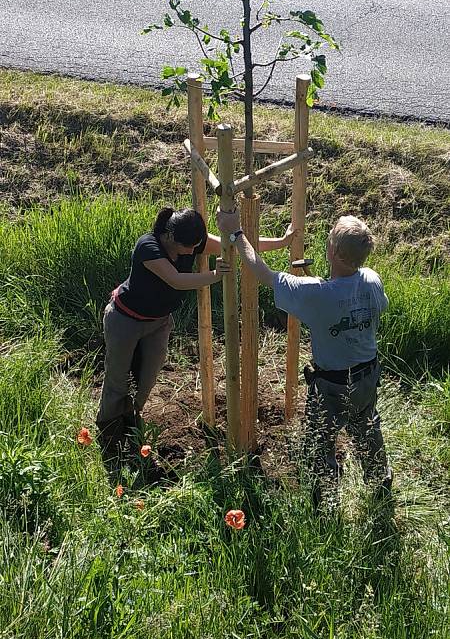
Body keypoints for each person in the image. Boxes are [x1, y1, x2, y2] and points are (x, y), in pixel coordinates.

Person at [216, 210, 393, 508]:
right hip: (368, 375)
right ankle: (380, 482)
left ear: (334, 252)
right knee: (366, 425)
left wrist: (236, 234)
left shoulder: (316, 294)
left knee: (319, 439)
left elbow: (263, 274)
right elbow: (352, 302)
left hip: (333, 386)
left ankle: (324, 501)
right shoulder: (371, 280)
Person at [97, 206, 295, 460]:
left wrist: (282, 241)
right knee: (117, 378)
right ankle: (109, 435)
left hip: (158, 323)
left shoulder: (189, 241)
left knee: (147, 378)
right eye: (188, 247)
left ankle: (131, 422)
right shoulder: (148, 247)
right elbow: (176, 279)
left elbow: (234, 244)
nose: (193, 251)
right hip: (125, 320)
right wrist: (214, 275)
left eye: (196, 246)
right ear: (170, 237)